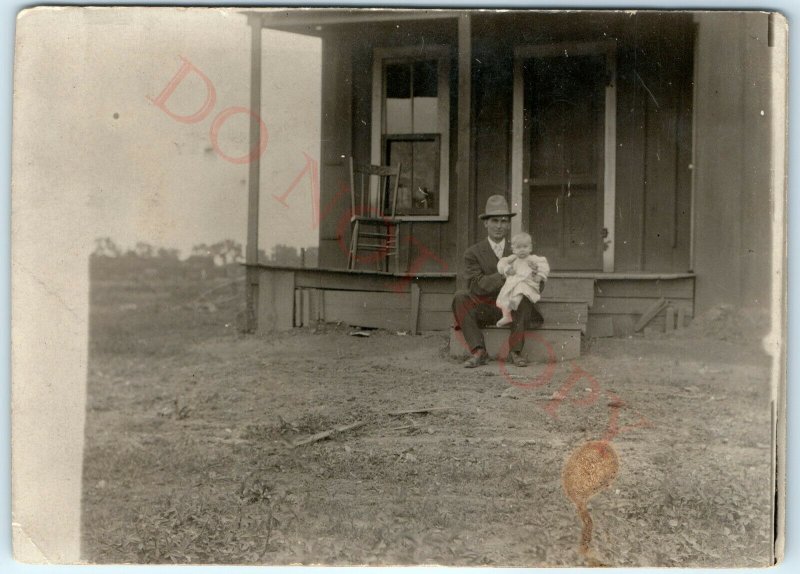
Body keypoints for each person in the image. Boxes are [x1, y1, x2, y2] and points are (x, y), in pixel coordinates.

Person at [452, 195, 545, 368]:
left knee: (524, 297)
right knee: (460, 297)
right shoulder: (473, 253)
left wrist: (534, 276)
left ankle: (515, 352)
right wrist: (505, 275)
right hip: (486, 308)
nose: (499, 226)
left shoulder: (520, 248)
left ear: (509, 224)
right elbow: (477, 286)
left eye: (504, 221)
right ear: (485, 223)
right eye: (494, 221)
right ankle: (479, 351)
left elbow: (538, 286)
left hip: (513, 307)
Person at [496, 232, 550, 327]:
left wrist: (540, 275)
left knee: (520, 289)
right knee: (503, 296)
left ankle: (514, 304)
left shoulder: (533, 259)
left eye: (525, 247)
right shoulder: (513, 258)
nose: (522, 250)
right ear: (513, 249)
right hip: (513, 284)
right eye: (518, 247)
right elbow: (501, 263)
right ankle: (506, 315)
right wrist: (507, 269)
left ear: (530, 248)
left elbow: (544, 266)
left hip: (527, 283)